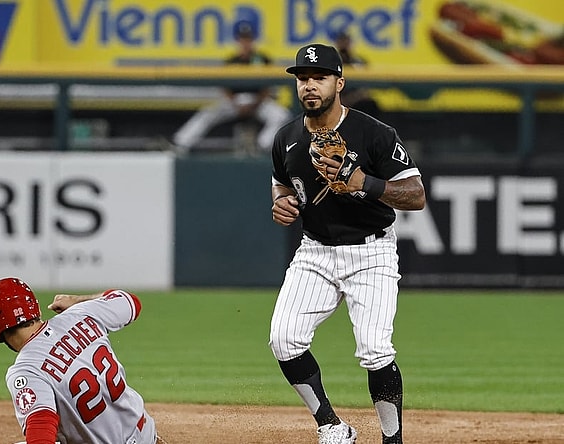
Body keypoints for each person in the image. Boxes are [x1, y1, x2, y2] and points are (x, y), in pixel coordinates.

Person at [269, 43, 426, 444]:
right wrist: (282, 204)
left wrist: (365, 184)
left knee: (375, 349)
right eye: (302, 78)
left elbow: (416, 195)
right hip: (315, 251)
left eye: (318, 78)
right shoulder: (286, 137)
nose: (309, 86)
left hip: (371, 252)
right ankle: (332, 426)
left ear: (339, 82)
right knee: (284, 339)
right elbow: (282, 186)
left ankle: (392, 440)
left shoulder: (374, 133)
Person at [0, 277, 164, 444]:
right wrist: (77, 300)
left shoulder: (25, 370)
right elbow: (131, 302)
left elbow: (41, 430)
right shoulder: (81, 313)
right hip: (146, 434)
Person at [171, 21, 291, 155]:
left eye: (248, 38)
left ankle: (263, 146)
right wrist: (235, 103)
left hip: (259, 101)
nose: (245, 42)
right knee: (208, 113)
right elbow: (225, 87)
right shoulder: (231, 60)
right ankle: (181, 142)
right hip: (236, 101)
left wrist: (256, 103)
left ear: (253, 40)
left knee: (281, 115)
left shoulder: (263, 58)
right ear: (238, 40)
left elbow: (269, 86)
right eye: (242, 38)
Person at [334, 32, 381, 118]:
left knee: (370, 104)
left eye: (346, 42)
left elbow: (366, 89)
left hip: (357, 101)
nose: (344, 45)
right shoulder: (332, 62)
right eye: (342, 41)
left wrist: (352, 98)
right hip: (337, 99)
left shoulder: (359, 62)